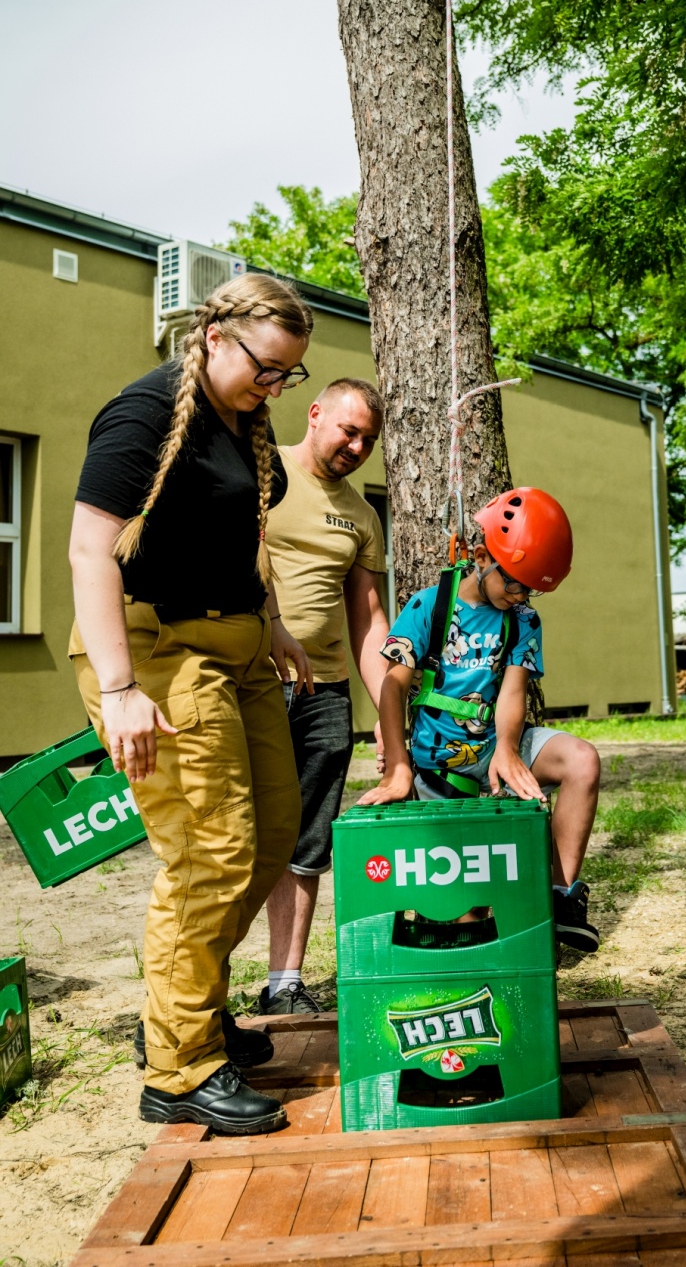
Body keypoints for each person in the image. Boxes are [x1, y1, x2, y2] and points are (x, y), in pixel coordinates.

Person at [68, 274, 314, 1136]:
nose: (274, 386)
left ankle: (186, 1009)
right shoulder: (143, 415)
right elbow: (89, 552)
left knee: (272, 836)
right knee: (212, 851)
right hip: (158, 651)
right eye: (265, 367)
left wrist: (272, 622)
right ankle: (179, 1068)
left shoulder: (246, 419)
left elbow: (240, 535)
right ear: (214, 336)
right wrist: (120, 690)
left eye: (287, 375)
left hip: (238, 647)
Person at [358, 487, 601, 954]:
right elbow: (392, 687)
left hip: (494, 745)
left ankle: (558, 899)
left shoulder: (523, 620)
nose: (520, 595)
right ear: (483, 557)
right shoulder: (430, 606)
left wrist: (507, 749)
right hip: (438, 766)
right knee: (465, 925)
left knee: (582, 761)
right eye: (514, 583)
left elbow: (512, 691)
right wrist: (399, 767)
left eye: (530, 588)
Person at [255, 378, 391, 1016]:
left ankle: (284, 984)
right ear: (315, 414)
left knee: (307, 840)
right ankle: (198, 995)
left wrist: (389, 716)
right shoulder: (262, 473)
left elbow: (369, 622)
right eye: (349, 430)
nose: (357, 447)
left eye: (369, 440)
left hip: (325, 693)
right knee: (234, 837)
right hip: (250, 682)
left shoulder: (362, 517)